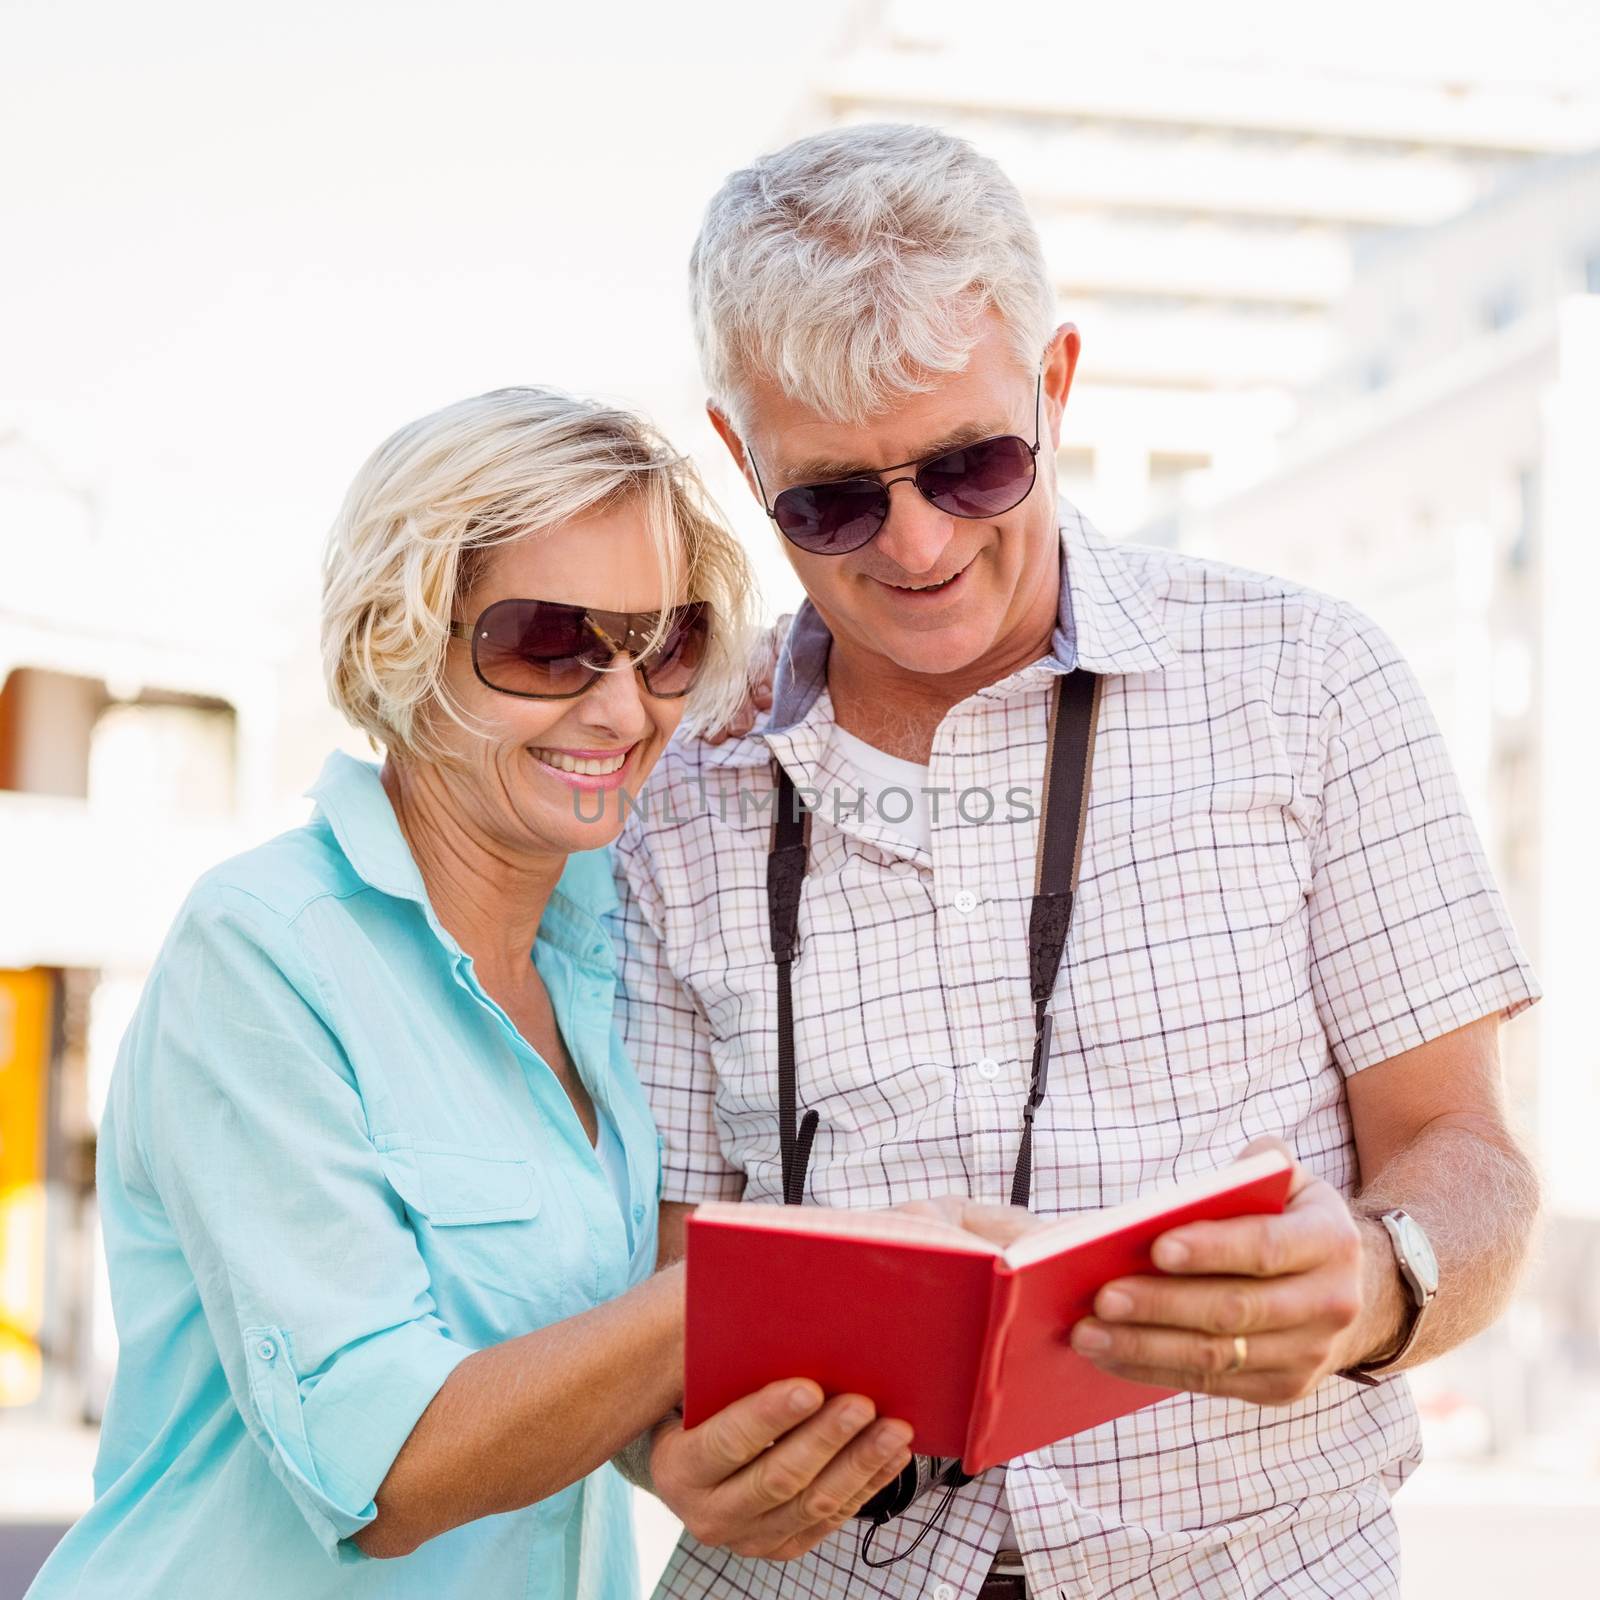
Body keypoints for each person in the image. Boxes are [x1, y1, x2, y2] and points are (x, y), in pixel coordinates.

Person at [613, 125, 1543, 1599]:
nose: (915, 546)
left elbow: (1475, 1161)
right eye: (834, 501)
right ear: (741, 457)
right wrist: (666, 1453)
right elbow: (662, 1301)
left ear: (1054, 384)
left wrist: (1378, 1276)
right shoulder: (670, 802)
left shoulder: (1312, 683)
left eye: (972, 466)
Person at [25, 387, 916, 1600]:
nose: (618, 706)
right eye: (546, 641)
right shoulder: (263, 952)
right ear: (404, 639)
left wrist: (700, 1458)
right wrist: (758, 1281)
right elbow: (382, 1469)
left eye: (663, 646)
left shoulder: (617, 946)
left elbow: (586, 1381)